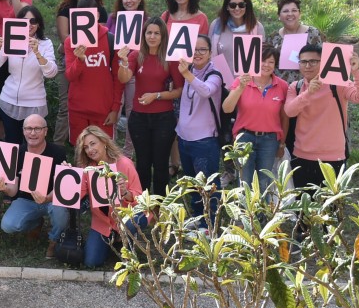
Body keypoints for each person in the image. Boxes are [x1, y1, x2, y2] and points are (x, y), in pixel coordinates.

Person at [284, 44, 359, 190]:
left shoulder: (338, 84)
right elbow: (289, 111)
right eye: (303, 62)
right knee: (304, 209)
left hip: (333, 158)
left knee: (332, 210)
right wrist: (308, 93)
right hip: (302, 156)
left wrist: (356, 73)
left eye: (313, 61)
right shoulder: (296, 87)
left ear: (323, 62)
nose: (307, 66)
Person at [117, 17, 183, 194]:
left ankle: (160, 205)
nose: (152, 36)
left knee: (161, 164)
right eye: (149, 32)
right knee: (143, 163)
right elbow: (124, 78)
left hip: (164, 118)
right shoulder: (135, 55)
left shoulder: (171, 58)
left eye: (156, 33)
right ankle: (143, 205)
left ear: (163, 36)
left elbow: (179, 90)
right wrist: (123, 62)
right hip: (139, 118)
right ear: (143, 34)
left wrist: (157, 96)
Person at [0, 114, 69, 258]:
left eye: (37, 129)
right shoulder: (18, 153)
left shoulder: (58, 153)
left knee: (61, 211)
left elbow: (63, 187)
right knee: (8, 226)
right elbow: (13, 191)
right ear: (23, 131)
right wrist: (3, 187)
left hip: (52, 200)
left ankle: (54, 240)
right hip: (27, 201)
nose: (33, 133)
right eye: (29, 128)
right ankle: (36, 222)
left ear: (45, 131)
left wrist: (47, 198)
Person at [74, 126, 144, 268]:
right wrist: (69, 174)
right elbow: (77, 195)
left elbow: (140, 198)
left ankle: (128, 247)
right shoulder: (86, 168)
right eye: (86, 147)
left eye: (93, 144)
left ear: (104, 142)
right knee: (91, 262)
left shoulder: (124, 163)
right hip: (103, 222)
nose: (90, 150)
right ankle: (114, 240)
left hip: (128, 216)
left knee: (130, 224)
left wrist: (125, 192)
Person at [222, 46, 288, 197]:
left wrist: (282, 143)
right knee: (245, 179)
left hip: (270, 140)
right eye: (262, 61)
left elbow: (285, 117)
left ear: (275, 65)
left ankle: (261, 216)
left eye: (271, 62)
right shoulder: (242, 81)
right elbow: (227, 108)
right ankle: (245, 215)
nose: (266, 65)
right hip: (245, 137)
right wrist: (240, 88)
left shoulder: (282, 86)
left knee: (264, 180)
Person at [0, 5, 58, 143]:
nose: (29, 25)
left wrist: (37, 51)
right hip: (9, 100)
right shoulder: (11, 39)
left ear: (38, 24)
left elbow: (51, 72)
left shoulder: (45, 43)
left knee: (32, 145)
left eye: (33, 21)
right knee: (12, 143)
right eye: (25, 21)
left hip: (34, 103)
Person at [54, 0, 109, 147]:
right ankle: (60, 146)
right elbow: (65, 41)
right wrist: (78, 57)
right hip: (72, 65)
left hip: (99, 96)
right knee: (66, 109)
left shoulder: (107, 33)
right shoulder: (66, 11)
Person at [175, 34, 224, 222]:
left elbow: (206, 91)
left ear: (210, 53)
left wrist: (187, 75)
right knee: (192, 183)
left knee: (208, 184)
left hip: (205, 140)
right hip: (184, 138)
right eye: (194, 50)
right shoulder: (188, 69)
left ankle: (210, 221)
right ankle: (197, 218)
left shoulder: (215, 74)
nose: (197, 53)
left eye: (202, 49)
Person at [64, 0, 121, 146]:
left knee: (104, 158)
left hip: (103, 110)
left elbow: (117, 77)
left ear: (96, 15)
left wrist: (115, 109)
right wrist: (80, 60)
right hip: (78, 110)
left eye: (90, 14)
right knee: (81, 155)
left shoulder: (110, 39)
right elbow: (70, 75)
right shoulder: (71, 41)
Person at [111, 0, 146, 153]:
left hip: (134, 73)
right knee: (114, 109)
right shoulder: (113, 19)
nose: (129, 0)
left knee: (132, 112)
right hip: (114, 72)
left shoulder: (146, 22)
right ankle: (110, 149)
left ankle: (128, 152)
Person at [269, 0, 322, 84]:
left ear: (299, 13)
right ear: (279, 16)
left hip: (308, 86)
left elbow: (322, 59)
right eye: (285, 11)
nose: (290, 14)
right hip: (280, 88)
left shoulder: (313, 33)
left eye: (294, 10)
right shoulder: (273, 37)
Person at [210, 0, 265, 71]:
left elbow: (262, 57)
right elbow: (209, 54)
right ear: (227, 7)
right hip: (221, 79)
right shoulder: (216, 25)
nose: (237, 8)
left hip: (248, 80)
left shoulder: (257, 27)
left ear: (247, 6)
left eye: (241, 5)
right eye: (232, 5)